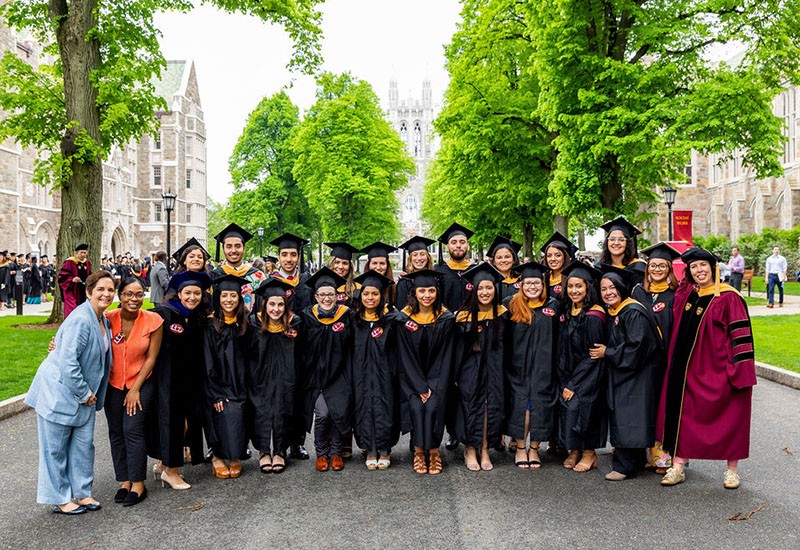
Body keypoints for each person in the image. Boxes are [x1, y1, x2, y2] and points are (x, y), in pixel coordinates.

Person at [657, 248, 756, 489]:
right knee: (683, 415)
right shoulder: (690, 296)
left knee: (732, 418)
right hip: (686, 372)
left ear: (713, 267)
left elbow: (741, 339)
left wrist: (738, 372)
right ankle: (678, 465)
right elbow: (678, 300)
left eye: (703, 265)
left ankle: (732, 471)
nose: (699, 270)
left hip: (719, 370)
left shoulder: (729, 298)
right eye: (693, 267)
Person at [25, 270, 114, 514]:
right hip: (59, 393)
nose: (106, 294)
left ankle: (83, 493)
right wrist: (84, 393)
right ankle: (60, 498)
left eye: (110, 289)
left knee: (84, 446)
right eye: (100, 289)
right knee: (55, 449)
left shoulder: (102, 318)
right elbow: (68, 362)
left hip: (85, 397)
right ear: (88, 292)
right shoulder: (80, 319)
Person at [590, 266, 663, 481]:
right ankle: (634, 461)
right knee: (628, 417)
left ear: (621, 288)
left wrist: (607, 352)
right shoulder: (618, 311)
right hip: (628, 373)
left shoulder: (632, 311)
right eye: (604, 289)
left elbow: (636, 348)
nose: (608, 292)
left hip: (637, 374)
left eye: (612, 287)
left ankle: (624, 467)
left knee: (628, 417)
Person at [150, 270, 213, 490]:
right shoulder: (163, 313)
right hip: (168, 377)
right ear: (179, 293)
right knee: (171, 421)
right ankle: (171, 471)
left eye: (197, 293)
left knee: (185, 423)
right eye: (188, 293)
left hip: (191, 378)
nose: (192, 297)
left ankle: (163, 461)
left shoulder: (198, 317)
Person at [104, 277, 163, 506]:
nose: (134, 299)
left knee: (132, 429)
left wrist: (135, 389)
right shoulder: (108, 319)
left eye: (139, 294)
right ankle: (124, 481)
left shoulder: (153, 321)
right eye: (128, 294)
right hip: (113, 384)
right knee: (116, 431)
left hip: (141, 383)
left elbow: (151, 358)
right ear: (120, 296)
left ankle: (138, 484)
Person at [395, 269, 456, 475]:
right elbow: (405, 356)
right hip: (412, 380)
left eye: (431, 290)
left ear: (437, 292)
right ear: (414, 293)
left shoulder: (445, 319)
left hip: (438, 379)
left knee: (432, 407)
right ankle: (419, 452)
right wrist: (419, 386)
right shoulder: (404, 319)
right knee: (416, 405)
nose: (427, 295)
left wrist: (433, 386)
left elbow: (446, 355)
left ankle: (433, 451)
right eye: (422, 291)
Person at [504, 261, 560, 470]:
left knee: (540, 406)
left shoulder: (553, 306)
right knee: (521, 408)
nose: (532, 287)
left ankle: (534, 448)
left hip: (544, 367)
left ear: (543, 284)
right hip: (517, 367)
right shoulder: (510, 304)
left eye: (536, 283)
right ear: (521, 284)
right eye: (528, 283)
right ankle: (520, 447)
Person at [631, 242, 681, 473]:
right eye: (653, 265)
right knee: (643, 405)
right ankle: (642, 452)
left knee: (663, 407)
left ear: (669, 268)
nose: (657, 269)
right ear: (647, 267)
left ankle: (663, 458)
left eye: (662, 265)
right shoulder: (637, 292)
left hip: (664, 359)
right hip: (640, 359)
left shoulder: (675, 294)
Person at [299, 267, 354, 472]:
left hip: (340, 375)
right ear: (315, 296)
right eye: (322, 295)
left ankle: (336, 452)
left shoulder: (347, 316)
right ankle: (321, 453)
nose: (327, 298)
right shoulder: (306, 317)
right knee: (322, 414)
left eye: (330, 294)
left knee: (337, 411)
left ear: (337, 296)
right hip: (316, 377)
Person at [454, 263, 507, 472]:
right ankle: (469, 448)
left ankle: (485, 448)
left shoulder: (503, 314)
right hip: (470, 371)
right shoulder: (463, 317)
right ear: (474, 290)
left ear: (495, 290)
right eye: (481, 289)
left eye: (489, 288)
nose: (485, 292)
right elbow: (457, 351)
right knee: (470, 406)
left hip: (495, 369)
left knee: (489, 407)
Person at [557, 261, 607, 473]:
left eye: (579, 286)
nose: (574, 290)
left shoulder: (594, 316)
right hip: (570, 372)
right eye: (570, 286)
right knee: (570, 410)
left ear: (588, 288)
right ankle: (575, 449)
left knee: (585, 410)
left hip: (589, 375)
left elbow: (593, 355)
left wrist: (573, 383)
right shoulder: (569, 310)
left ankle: (589, 452)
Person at [248, 278, 300, 474]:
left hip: (286, 377)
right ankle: (263, 451)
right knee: (260, 411)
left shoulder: (295, 324)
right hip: (259, 377)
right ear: (265, 304)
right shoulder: (254, 323)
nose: (276, 309)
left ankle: (279, 450)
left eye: (280, 305)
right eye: (272, 304)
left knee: (284, 410)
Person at [270, 232, 313, 460]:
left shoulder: (306, 282)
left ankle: (298, 443)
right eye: (284, 254)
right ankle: (281, 443)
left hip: (303, 347)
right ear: (279, 257)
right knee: (281, 397)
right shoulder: (271, 283)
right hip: (279, 348)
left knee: (300, 396)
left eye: (292, 254)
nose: (289, 258)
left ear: (298, 256)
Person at [350, 270, 399, 470]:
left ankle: (385, 448)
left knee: (385, 407)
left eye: (375, 294)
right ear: (360, 296)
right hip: (361, 372)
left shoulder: (392, 319)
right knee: (363, 406)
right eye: (366, 294)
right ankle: (370, 448)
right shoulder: (354, 320)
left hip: (386, 372)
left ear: (382, 296)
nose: (370, 298)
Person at [204, 275, 251, 480]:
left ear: (240, 299)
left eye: (233, 295)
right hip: (217, 384)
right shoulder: (210, 325)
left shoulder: (245, 324)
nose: (229, 300)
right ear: (218, 298)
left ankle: (235, 457)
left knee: (239, 415)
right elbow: (207, 361)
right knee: (220, 413)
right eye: (225, 296)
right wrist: (215, 393)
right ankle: (217, 456)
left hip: (240, 384)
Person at [435, 223, 475, 451]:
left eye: (462, 241)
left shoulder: (475, 270)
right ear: (447, 246)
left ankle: (469, 430)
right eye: (454, 242)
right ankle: (452, 431)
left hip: (472, 334)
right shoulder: (440, 272)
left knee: (469, 384)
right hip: (447, 334)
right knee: (450, 384)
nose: (458, 245)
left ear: (467, 245)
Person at [210, 223, 267, 313]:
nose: (233, 250)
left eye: (238, 246)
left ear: (244, 248)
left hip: (252, 325)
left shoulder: (258, 276)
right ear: (223, 249)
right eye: (229, 246)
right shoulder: (213, 276)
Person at [598, 216, 646, 286]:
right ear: (607, 242)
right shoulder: (599, 267)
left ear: (628, 243)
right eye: (612, 239)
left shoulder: (638, 268)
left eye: (621, 240)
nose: (616, 243)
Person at [395, 235, 436, 311]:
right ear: (410, 259)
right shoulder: (404, 282)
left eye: (422, 254)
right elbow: (400, 309)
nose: (419, 258)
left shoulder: (436, 278)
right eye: (415, 255)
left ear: (428, 257)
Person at [541, 231, 579, 306]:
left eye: (558, 255)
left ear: (565, 257)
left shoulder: (571, 278)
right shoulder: (543, 278)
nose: (553, 259)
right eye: (549, 256)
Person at [58, 243, 93, 318]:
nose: (83, 254)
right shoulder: (70, 262)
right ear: (77, 253)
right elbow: (62, 276)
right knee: (72, 309)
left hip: (83, 290)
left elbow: (90, 274)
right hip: (72, 290)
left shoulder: (87, 262)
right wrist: (72, 279)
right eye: (81, 252)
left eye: (85, 252)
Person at [487, 236, 522, 302]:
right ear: (494, 261)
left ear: (514, 259)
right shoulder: (488, 282)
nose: (503, 260)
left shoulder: (522, 280)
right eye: (499, 257)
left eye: (507, 257)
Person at [325, 242, 360, 307]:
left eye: (345, 263)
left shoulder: (356, 288)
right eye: (337, 262)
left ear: (350, 266)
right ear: (330, 263)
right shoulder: (320, 285)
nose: (340, 266)